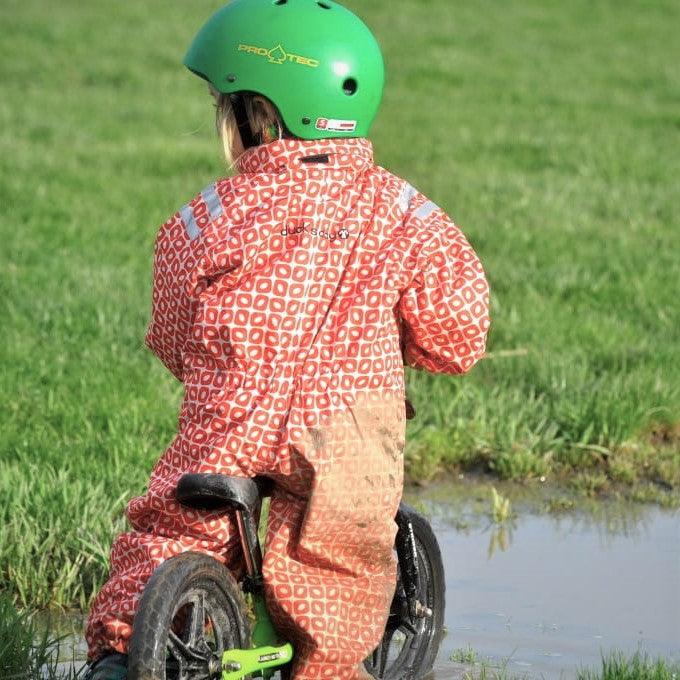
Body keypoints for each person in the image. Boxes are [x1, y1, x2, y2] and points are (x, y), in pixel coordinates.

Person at [84, 0, 490, 678]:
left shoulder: (210, 214)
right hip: (348, 424)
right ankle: (326, 667)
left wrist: (203, 365)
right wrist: (413, 349)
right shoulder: (407, 213)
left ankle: (126, 653)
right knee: (341, 565)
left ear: (260, 115)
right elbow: (459, 332)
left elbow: (173, 327)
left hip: (234, 411)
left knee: (175, 529)